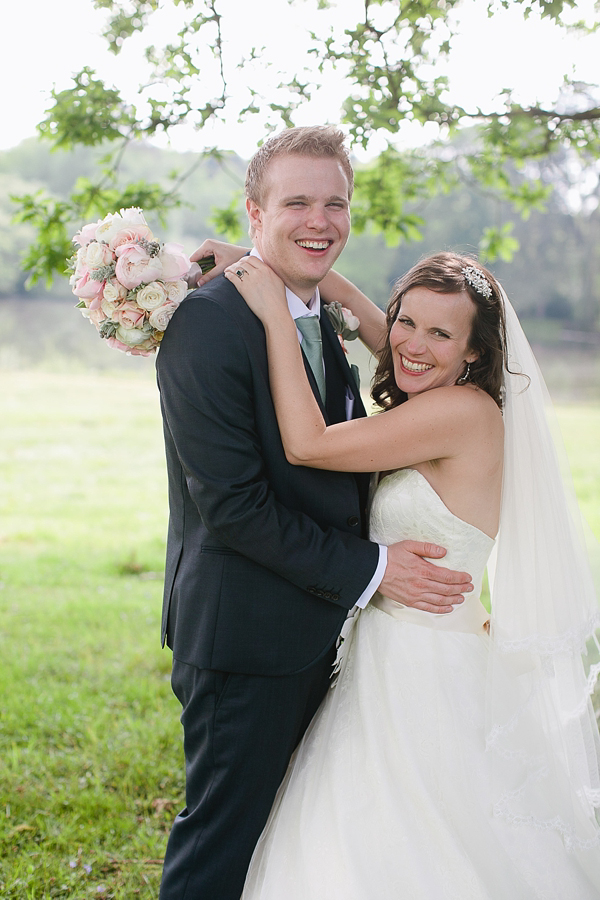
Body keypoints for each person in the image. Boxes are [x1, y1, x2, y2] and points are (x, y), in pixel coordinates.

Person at [220, 250, 600, 898]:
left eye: (440, 333)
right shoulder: (445, 389)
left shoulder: (458, 414)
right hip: (392, 652)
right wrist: (260, 259)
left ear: (474, 353)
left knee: (415, 843)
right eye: (407, 321)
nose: (412, 345)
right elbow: (371, 318)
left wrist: (273, 317)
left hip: (426, 668)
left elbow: (307, 445)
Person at [155, 126, 473, 900]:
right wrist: (375, 569)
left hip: (314, 629)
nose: (319, 220)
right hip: (246, 638)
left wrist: (312, 287)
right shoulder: (208, 323)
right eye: (296, 201)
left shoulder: (306, 312)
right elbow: (232, 507)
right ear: (253, 210)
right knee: (222, 849)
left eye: (336, 203)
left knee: (289, 847)